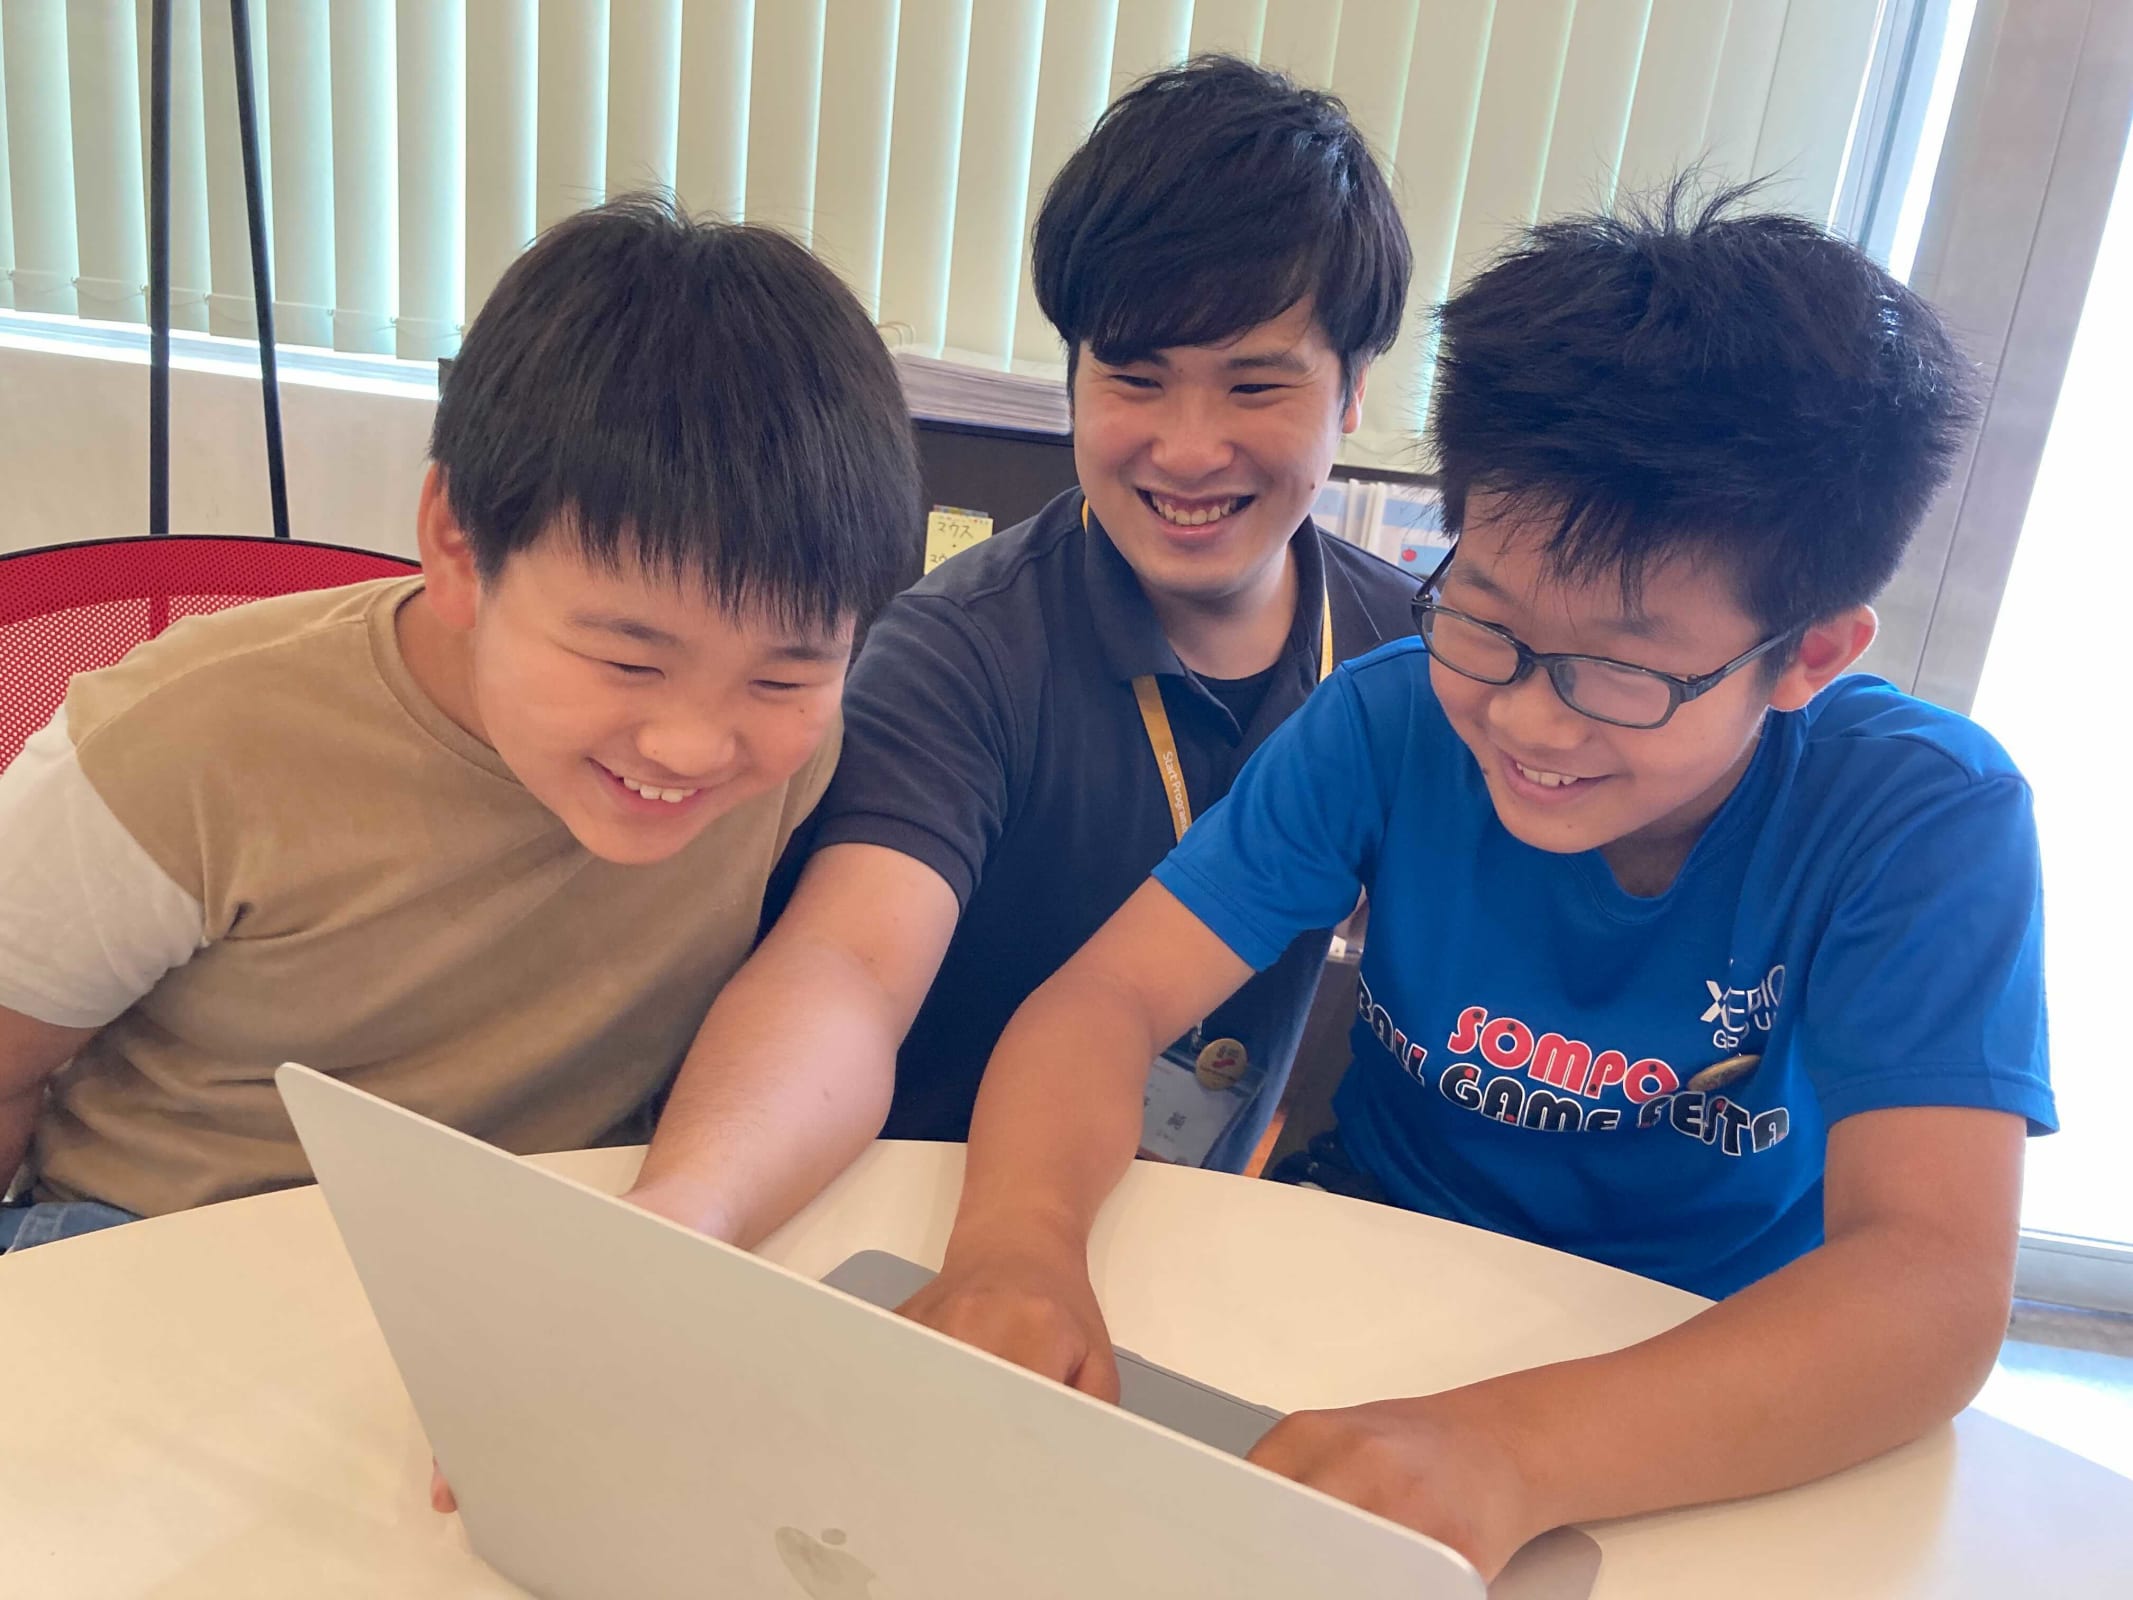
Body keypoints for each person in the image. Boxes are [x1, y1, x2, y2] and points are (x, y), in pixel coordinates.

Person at [901, 184, 2053, 1578]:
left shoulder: (1918, 818)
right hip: (1370, 1262)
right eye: (1485, 622)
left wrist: (1512, 1450)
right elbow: (1104, 1001)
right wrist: (1017, 1250)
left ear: (1808, 655)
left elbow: (1928, 1283)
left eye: (1619, 670)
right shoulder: (1390, 719)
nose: (1525, 719)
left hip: (1710, 1357)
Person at [0, 194, 921, 1253]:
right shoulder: (184, 745)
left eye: (782, 677)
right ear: (454, 543)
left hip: (524, 1245)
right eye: (629, 661)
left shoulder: (795, 753)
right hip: (157, 1240)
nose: (693, 745)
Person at [622, 56, 1418, 1242]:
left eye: (1256, 386)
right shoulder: (959, 649)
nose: (1188, 449)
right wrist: (688, 1216)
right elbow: (845, 966)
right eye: (1133, 378)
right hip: (919, 1223)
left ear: (1352, 393)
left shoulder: (1417, 655)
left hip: (1194, 1238)